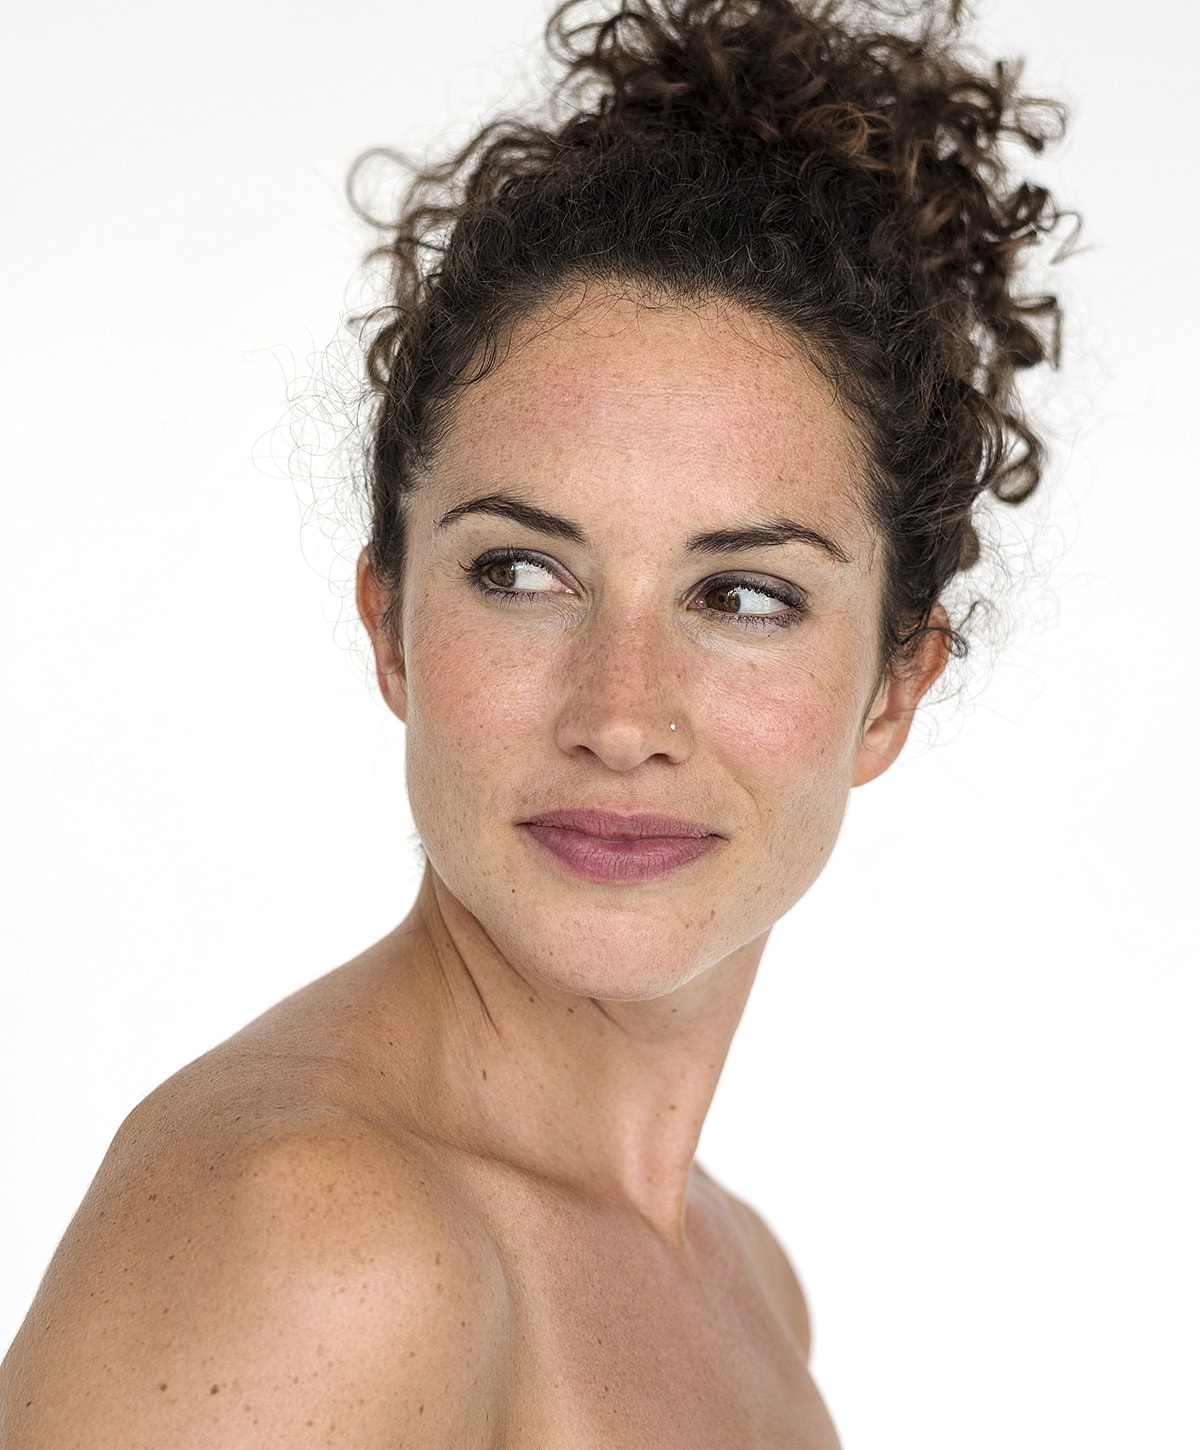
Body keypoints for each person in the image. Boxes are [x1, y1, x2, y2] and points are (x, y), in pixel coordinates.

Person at [0, 0, 1066, 1443]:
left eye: (744, 595)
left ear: (894, 688)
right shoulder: (312, 1241)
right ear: (392, 624)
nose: (622, 716)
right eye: (523, 572)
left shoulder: (744, 1279)